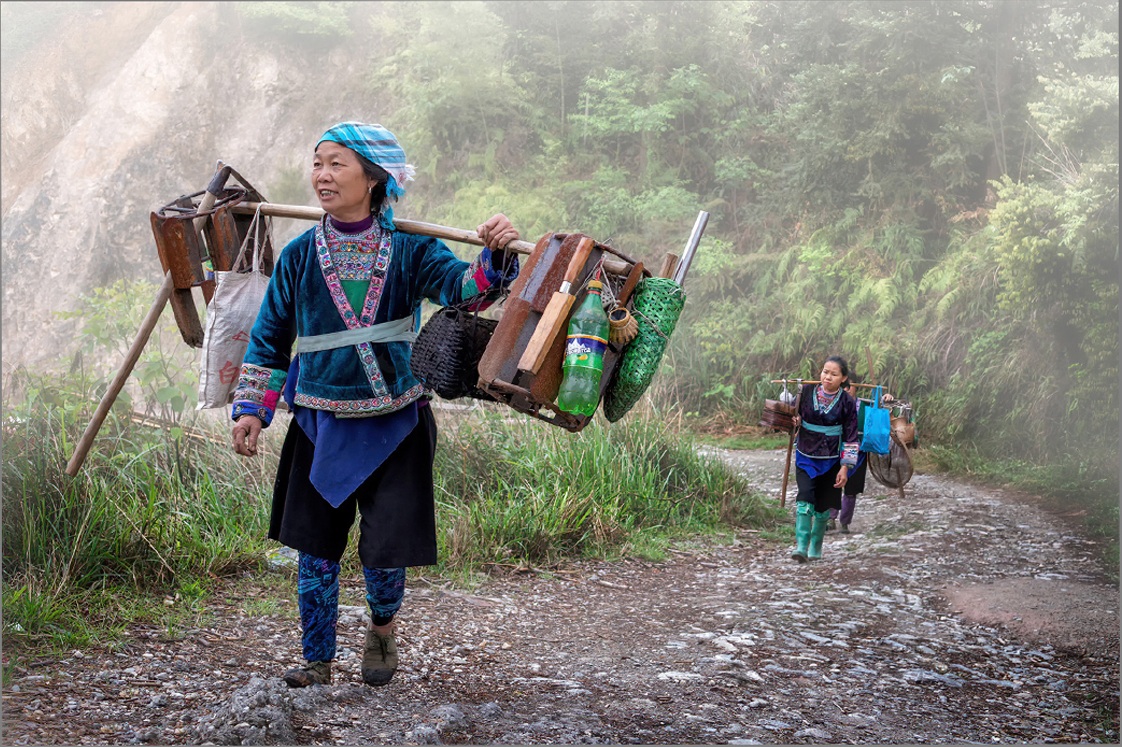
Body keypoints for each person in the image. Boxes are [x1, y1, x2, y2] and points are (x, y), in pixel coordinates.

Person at [230, 121, 521, 688]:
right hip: (319, 420)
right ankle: (317, 658)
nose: (321, 174)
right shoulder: (298, 257)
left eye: (336, 163)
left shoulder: (412, 248)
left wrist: (495, 253)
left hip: (397, 421)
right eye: (317, 163)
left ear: (373, 177)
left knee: (386, 554)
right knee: (315, 552)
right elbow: (268, 340)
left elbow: (468, 290)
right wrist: (252, 410)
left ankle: (382, 630)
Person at [789, 355, 860, 562]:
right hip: (805, 455)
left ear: (843, 378)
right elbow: (791, 417)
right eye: (825, 372)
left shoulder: (847, 402)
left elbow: (851, 436)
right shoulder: (805, 392)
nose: (827, 377)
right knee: (804, 498)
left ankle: (816, 546)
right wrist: (794, 420)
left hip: (831, 460)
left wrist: (845, 467)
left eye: (833, 374)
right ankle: (801, 546)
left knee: (823, 505)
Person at [829, 380, 868, 534]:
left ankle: (845, 522)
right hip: (836, 449)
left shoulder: (866, 405)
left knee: (851, 488)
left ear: (856, 387)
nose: (845, 390)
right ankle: (830, 519)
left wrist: (885, 398)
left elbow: (885, 410)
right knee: (834, 483)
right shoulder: (832, 405)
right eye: (842, 387)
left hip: (858, 450)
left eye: (848, 386)